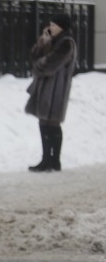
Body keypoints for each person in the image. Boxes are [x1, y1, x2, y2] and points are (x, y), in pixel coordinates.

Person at [25, 13, 77, 173]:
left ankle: (55, 161)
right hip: (45, 88)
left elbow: (48, 65)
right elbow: (34, 56)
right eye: (51, 24)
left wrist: (38, 65)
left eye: (54, 25)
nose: (50, 27)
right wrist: (43, 42)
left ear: (62, 27)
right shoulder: (52, 42)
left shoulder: (66, 43)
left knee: (52, 123)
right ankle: (46, 159)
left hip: (56, 90)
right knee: (44, 122)